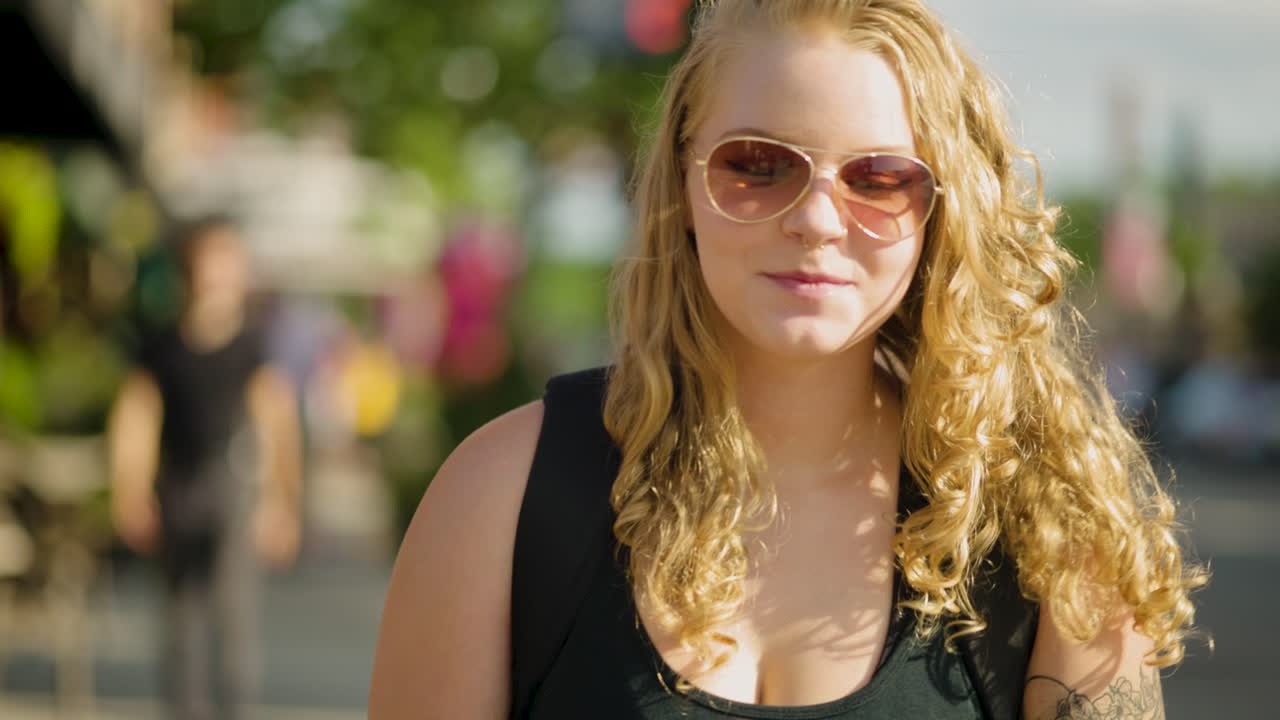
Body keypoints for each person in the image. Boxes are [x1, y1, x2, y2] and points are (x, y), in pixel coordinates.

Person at [369, 1, 1206, 718]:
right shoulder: (501, 498)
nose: (816, 219)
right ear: (683, 184)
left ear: (941, 212)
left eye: (878, 178)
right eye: (758, 166)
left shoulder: (1050, 531)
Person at [108, 216, 303, 720]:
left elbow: (276, 423)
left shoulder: (253, 346)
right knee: (182, 618)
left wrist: (282, 502)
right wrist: (130, 490)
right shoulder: (161, 346)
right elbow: (136, 419)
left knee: (233, 618)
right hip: (178, 483)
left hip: (234, 482)